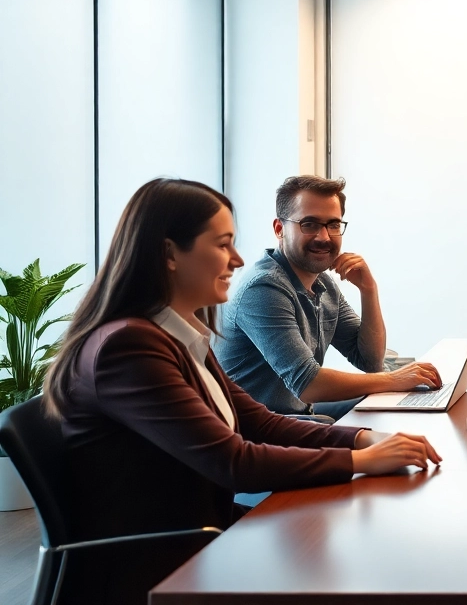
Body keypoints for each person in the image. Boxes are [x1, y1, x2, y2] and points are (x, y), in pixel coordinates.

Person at [42, 179, 440, 604]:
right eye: (222, 244)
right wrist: (360, 459)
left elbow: (259, 421)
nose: (236, 259)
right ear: (170, 253)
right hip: (157, 565)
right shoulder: (129, 347)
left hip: (201, 530)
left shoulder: (177, 334)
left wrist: (365, 437)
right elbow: (233, 462)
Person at [216, 176, 441, 419]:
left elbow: (369, 361)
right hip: (256, 428)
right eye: (309, 224)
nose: (324, 237)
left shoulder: (322, 283)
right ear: (280, 229)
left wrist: (368, 289)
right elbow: (308, 384)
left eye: (333, 225)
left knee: (391, 409)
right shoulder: (263, 289)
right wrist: (392, 379)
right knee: (374, 431)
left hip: (297, 413)